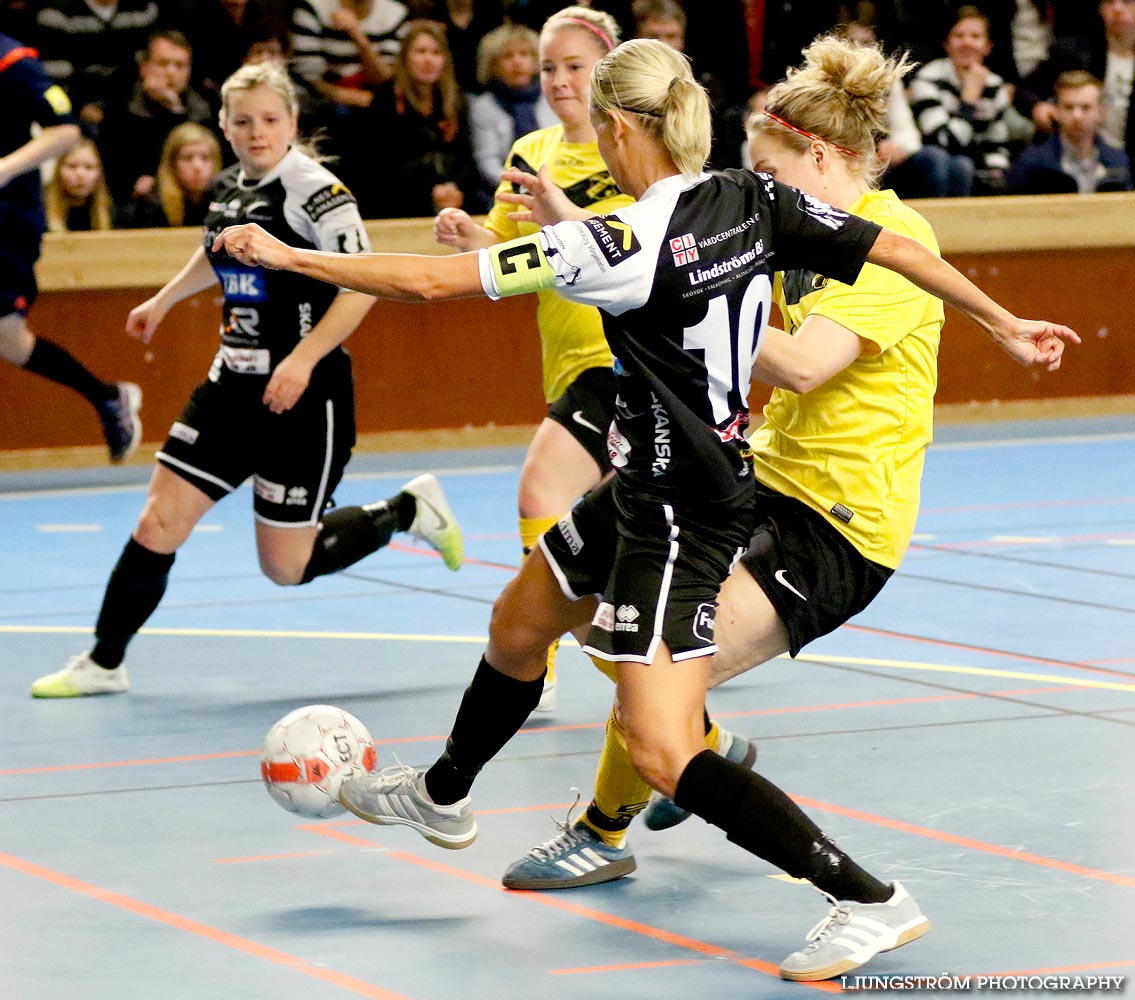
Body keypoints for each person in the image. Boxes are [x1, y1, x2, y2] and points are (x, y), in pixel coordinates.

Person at [212, 38, 1076, 981]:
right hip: (671, 483)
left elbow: (431, 283)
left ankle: (865, 899)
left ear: (620, 128)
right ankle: (445, 794)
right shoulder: (746, 202)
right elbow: (859, 250)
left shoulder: (634, 238)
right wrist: (1002, 321)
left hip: (723, 510)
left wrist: (287, 253)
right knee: (522, 620)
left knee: (658, 734)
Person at [497, 30, 1069, 906]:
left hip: (835, 526)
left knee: (649, 675)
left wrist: (684, 300)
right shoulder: (789, 228)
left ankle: (625, 828)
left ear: (819, 156)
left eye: (770, 174)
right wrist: (593, 242)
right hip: (762, 479)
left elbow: (800, 364)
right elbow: (668, 270)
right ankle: (674, 773)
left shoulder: (889, 243)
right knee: (628, 644)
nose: (757, 192)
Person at [30, 62, 464, 700]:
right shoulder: (232, 185)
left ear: (291, 121)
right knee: (157, 522)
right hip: (229, 387)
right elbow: (215, 252)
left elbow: (359, 284)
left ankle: (408, 509)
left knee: (285, 568)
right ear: (225, 127)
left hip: (303, 397)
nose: (256, 131)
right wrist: (165, 300)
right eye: (242, 121)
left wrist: (303, 359)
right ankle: (103, 660)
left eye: (269, 119)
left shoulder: (318, 193)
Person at [432, 5, 627, 711]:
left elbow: (640, 246)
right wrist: (474, 241)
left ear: (606, 68)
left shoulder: (630, 145)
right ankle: (650, 683)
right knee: (613, 538)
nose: (558, 80)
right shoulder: (530, 153)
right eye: (548, 67)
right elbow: (520, 262)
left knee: (541, 493)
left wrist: (565, 214)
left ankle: (529, 648)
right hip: (571, 365)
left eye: (574, 66)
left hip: (627, 359)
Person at [0, 32, 141, 463]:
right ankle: (106, 397)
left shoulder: (13, 61)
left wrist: (3, 169)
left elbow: (66, 132)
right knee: (9, 339)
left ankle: (107, 398)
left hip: (6, 218)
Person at [350, 19, 488, 218]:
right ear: (405, 58)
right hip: (400, 195)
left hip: (450, 193)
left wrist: (453, 188)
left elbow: (466, 156)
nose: (428, 60)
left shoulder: (456, 100)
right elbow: (379, 165)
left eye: (436, 53)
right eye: (420, 51)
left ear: (445, 59)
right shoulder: (386, 98)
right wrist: (429, 192)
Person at [98, 30, 217, 207]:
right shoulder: (120, 110)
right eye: (163, 63)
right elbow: (115, 172)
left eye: (179, 65)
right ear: (144, 67)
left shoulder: (204, 109)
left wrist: (175, 111)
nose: (170, 72)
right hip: (137, 205)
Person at [909, 6, 1015, 194]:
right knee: (957, 164)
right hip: (931, 164)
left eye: (975, 37)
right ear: (947, 44)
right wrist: (969, 98)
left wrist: (996, 177)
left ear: (987, 46)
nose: (967, 43)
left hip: (975, 166)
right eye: (959, 36)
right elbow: (945, 141)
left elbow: (996, 144)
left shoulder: (994, 85)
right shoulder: (927, 79)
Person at [1008, 69, 1133, 192]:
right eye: (1069, 107)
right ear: (1056, 111)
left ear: (1101, 112)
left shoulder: (1119, 163)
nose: (1076, 116)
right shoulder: (1032, 163)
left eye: (1085, 108)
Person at [467, 23, 557, 189]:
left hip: (558, 183)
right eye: (508, 56)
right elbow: (487, 162)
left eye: (524, 54)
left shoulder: (554, 94)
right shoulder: (484, 105)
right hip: (504, 188)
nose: (517, 62)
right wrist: (521, 187)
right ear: (493, 64)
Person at [115, 122, 224, 228]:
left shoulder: (225, 199)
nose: (197, 166)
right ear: (172, 164)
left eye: (205, 157)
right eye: (187, 158)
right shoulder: (152, 205)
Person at [44, 139, 114, 232]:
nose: (80, 174)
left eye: (89, 167)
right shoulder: (40, 213)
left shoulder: (113, 213)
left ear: (99, 173)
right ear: (58, 172)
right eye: (72, 166)